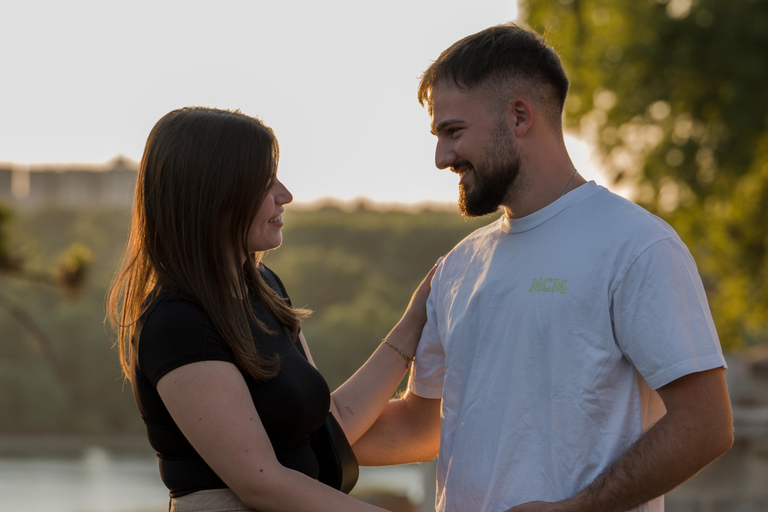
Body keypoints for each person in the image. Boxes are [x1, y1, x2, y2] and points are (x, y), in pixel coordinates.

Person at [351, 23, 734, 512]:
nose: (441, 157)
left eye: (454, 132)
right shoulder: (457, 267)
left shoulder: (637, 245)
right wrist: (265, 448)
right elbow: (422, 426)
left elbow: (705, 425)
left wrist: (575, 509)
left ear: (518, 116)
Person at [107, 106, 437, 512]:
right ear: (214, 194)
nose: (286, 195)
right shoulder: (177, 322)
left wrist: (416, 319)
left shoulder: (264, 289)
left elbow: (330, 421)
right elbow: (263, 484)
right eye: (266, 182)